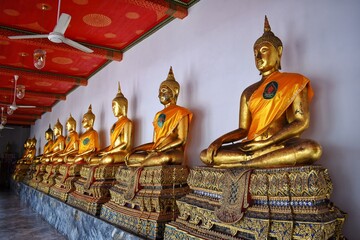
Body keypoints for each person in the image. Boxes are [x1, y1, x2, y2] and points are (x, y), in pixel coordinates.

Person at [200, 16, 322, 168]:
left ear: (279, 51)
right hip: (251, 147)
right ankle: (255, 160)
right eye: (255, 52)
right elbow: (243, 130)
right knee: (206, 154)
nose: (258, 57)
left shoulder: (295, 81)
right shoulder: (248, 92)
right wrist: (219, 141)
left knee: (312, 149)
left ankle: (245, 164)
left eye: (264, 50)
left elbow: (301, 122)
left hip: (279, 144)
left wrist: (268, 142)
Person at [126, 67, 192, 167]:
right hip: (156, 151)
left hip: (173, 152)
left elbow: (181, 140)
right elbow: (154, 142)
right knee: (131, 157)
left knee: (166, 158)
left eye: (164, 91)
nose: (159, 94)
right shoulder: (158, 115)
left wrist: (160, 150)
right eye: (159, 91)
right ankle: (145, 163)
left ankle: (142, 165)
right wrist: (135, 149)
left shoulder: (181, 111)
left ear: (174, 91)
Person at [89, 83, 133, 165]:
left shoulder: (127, 122)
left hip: (123, 152)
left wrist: (109, 152)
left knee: (108, 158)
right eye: (112, 107)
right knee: (92, 158)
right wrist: (101, 152)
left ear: (122, 106)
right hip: (113, 151)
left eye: (114, 107)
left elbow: (126, 144)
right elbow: (112, 145)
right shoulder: (114, 125)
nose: (113, 109)